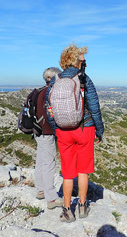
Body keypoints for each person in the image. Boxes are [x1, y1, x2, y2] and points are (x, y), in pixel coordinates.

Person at [45, 44, 104, 222]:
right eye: (83, 61)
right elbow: (94, 107)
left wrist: (57, 130)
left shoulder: (55, 80)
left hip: (63, 132)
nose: (85, 64)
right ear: (77, 62)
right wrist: (99, 131)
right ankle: (83, 206)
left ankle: (67, 210)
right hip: (84, 128)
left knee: (68, 172)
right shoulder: (84, 79)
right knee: (83, 171)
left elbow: (49, 109)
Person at [35, 67, 64, 209]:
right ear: (52, 78)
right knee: (49, 163)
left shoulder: (39, 91)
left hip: (37, 131)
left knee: (41, 160)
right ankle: (51, 198)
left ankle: (41, 190)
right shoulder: (50, 92)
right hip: (46, 132)